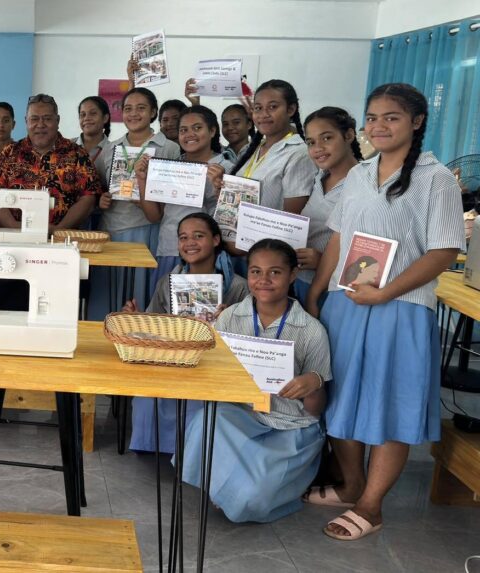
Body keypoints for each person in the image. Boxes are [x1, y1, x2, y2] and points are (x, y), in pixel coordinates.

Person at [305, 84, 463, 541]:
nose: (379, 126)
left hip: (401, 308)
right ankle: (352, 484)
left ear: (416, 121)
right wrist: (319, 290)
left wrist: (387, 291)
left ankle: (372, 505)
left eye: (391, 117)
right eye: (372, 118)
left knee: (389, 403)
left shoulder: (435, 179)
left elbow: (443, 251)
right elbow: (338, 237)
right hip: (348, 303)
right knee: (343, 397)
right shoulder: (360, 173)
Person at [180, 239, 330, 523]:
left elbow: (315, 410)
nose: (263, 280)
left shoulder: (311, 330)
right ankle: (231, 483)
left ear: (293, 275)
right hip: (242, 417)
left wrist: (314, 383)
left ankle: (260, 485)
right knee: (205, 421)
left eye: (275, 272)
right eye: (255, 272)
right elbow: (211, 379)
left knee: (252, 498)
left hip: (289, 427)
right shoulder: (230, 318)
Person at [123, 213, 249, 453]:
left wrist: (228, 320)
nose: (190, 243)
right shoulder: (168, 282)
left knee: (199, 401)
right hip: (173, 360)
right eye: (183, 237)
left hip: (215, 363)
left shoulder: (237, 286)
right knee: (147, 398)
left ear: (215, 240)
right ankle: (153, 448)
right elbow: (154, 326)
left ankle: (192, 453)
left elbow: (248, 334)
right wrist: (137, 319)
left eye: (198, 236)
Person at [88, 87, 180, 317]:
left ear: (153, 112)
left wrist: (148, 196)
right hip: (111, 228)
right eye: (128, 109)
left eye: (141, 108)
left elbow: (173, 192)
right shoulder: (111, 148)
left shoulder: (168, 148)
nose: (133, 114)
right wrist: (102, 199)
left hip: (147, 229)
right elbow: (97, 187)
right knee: (106, 293)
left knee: (136, 294)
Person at [144, 105, 232, 289]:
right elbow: (155, 216)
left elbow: (231, 220)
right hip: (169, 249)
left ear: (213, 130)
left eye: (197, 128)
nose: (189, 134)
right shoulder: (171, 167)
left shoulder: (226, 167)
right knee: (166, 312)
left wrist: (220, 189)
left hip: (205, 256)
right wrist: (141, 178)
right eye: (183, 130)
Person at [0, 94, 99, 233]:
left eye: (47, 119)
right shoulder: (9, 154)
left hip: (63, 242)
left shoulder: (77, 154)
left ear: (57, 120)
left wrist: (59, 230)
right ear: (26, 121)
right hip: (14, 239)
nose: (40, 125)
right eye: (34, 119)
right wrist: (17, 228)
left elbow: (88, 197)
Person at [294, 107, 363, 304]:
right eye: (311, 142)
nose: (318, 148)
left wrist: (323, 260)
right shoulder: (319, 177)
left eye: (327, 138)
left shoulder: (362, 184)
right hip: (301, 279)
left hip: (332, 289)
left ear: (349, 135)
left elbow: (366, 251)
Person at [228, 80, 315, 215]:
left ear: (291, 109)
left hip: (267, 235)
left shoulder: (299, 153)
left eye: (272, 107)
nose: (263, 114)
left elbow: (291, 218)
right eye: (258, 108)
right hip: (237, 232)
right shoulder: (253, 149)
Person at [76, 96, 112, 163]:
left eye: (93, 113)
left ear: (105, 118)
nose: (86, 118)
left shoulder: (113, 151)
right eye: (83, 114)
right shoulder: (66, 146)